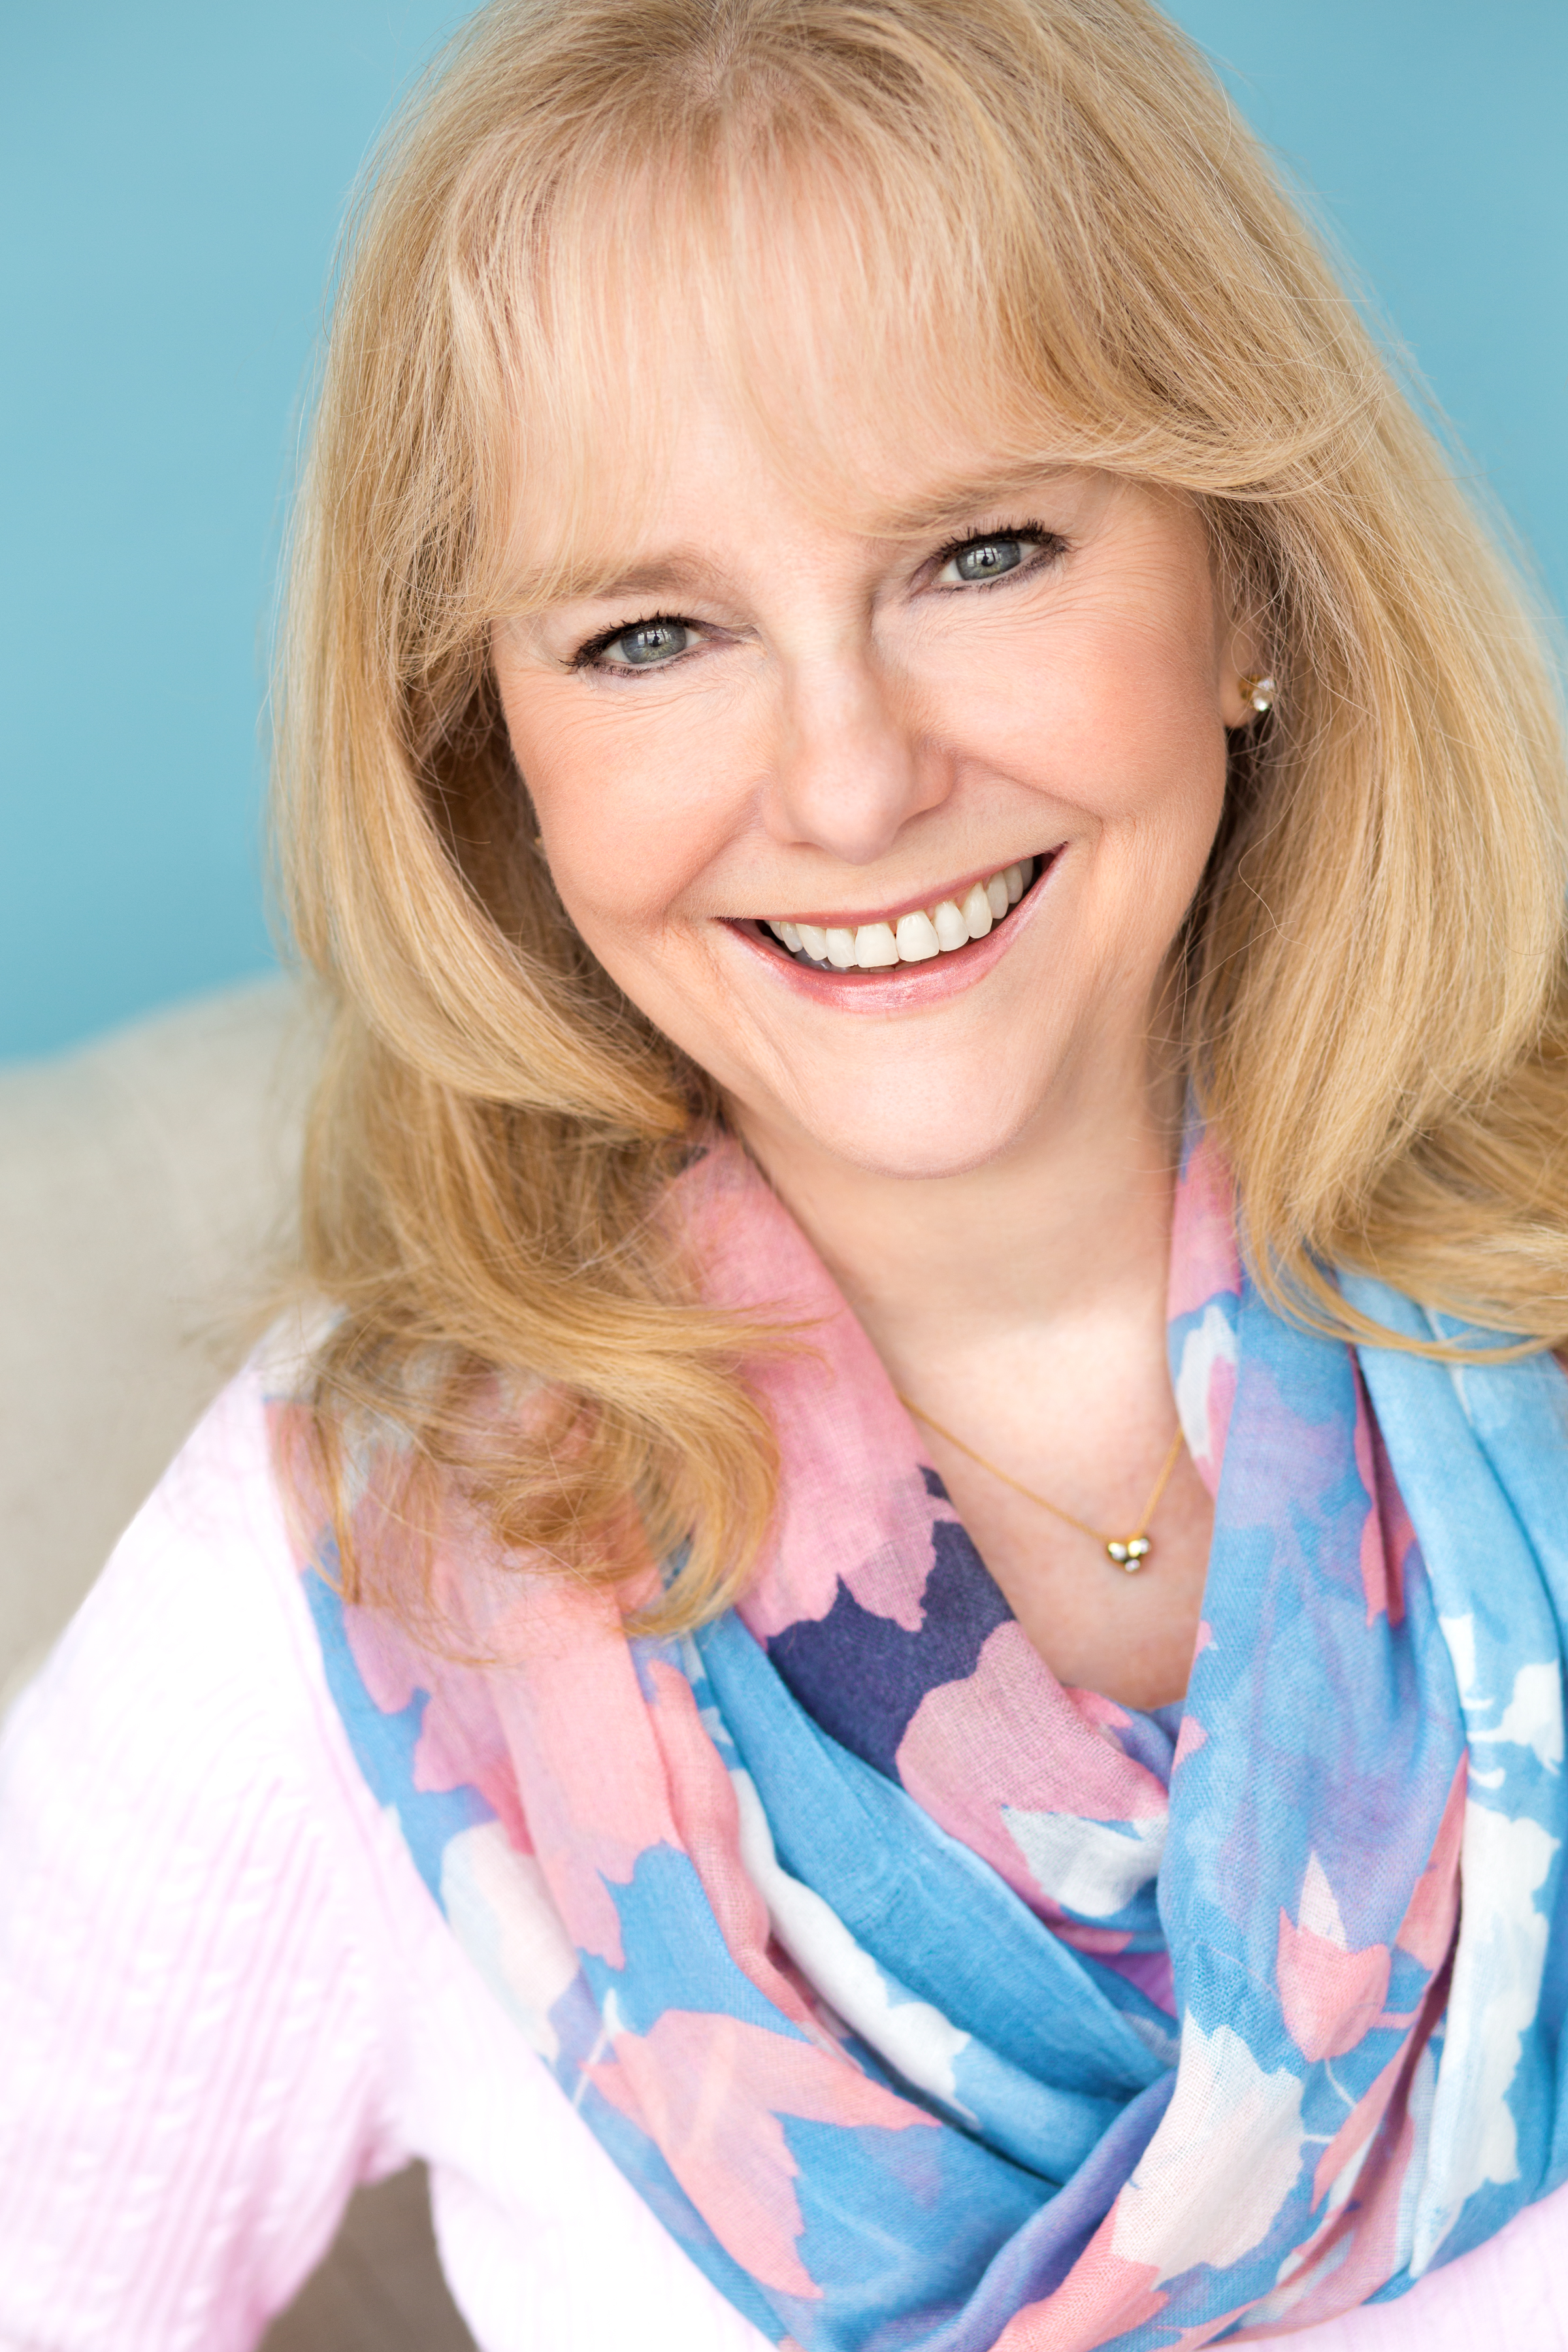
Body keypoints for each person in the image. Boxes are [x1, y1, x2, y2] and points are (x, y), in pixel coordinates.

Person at [3, 0, 1567, 2344]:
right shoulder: (348, 1567)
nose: (847, 784)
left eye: (981, 553)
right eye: (651, 634)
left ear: (1249, 587)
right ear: (491, 752)